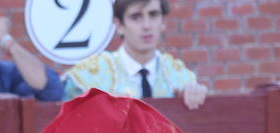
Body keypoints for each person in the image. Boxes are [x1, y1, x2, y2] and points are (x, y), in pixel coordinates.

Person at [62, 0, 209, 110]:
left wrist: (197, 96)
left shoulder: (182, 78)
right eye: (136, 17)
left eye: (153, 15)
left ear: (163, 21)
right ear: (119, 26)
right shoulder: (88, 76)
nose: (146, 25)